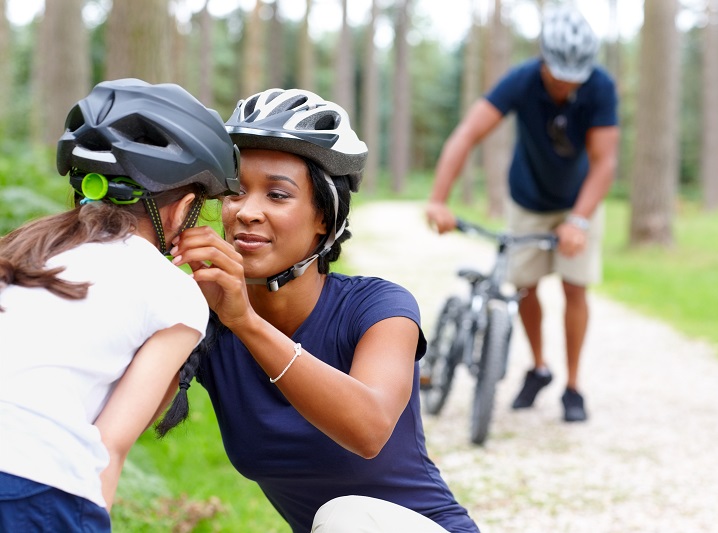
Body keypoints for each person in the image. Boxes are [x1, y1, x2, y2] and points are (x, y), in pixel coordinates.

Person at [163, 88, 479, 533]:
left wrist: (246, 323)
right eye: (236, 193)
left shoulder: (379, 307)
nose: (246, 212)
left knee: (344, 517)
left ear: (324, 219)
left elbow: (368, 431)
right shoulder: (207, 319)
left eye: (277, 195)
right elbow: (126, 418)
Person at [0, 78, 240, 531]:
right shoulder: (175, 291)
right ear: (181, 208)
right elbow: (111, 444)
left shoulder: (27, 248)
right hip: (35, 483)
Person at [425, 4, 619, 423]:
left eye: (575, 77)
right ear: (543, 60)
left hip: (578, 201)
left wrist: (579, 220)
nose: (567, 84)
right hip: (528, 198)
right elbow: (468, 134)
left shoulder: (601, 86)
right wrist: (439, 198)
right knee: (525, 287)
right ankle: (539, 368)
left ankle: (573, 387)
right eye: (559, 74)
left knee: (575, 288)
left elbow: (605, 162)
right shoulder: (521, 81)